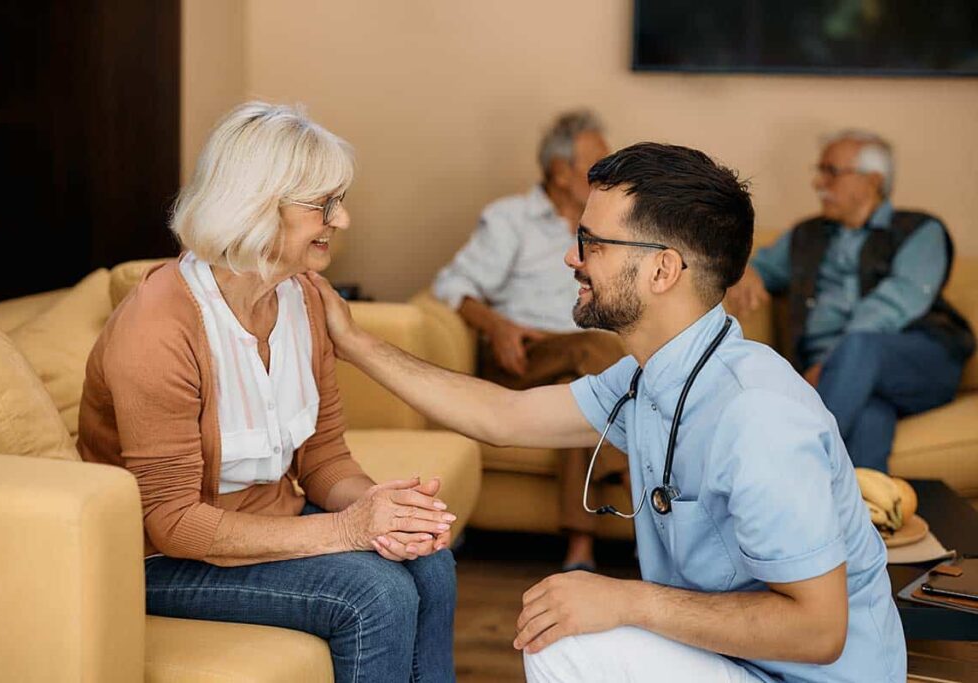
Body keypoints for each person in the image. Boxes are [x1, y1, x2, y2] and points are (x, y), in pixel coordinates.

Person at [308, 142, 906, 681]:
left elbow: (819, 630)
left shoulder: (758, 415)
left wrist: (627, 601)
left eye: (591, 243)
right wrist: (356, 343)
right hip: (736, 661)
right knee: (562, 629)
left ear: (662, 269)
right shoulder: (654, 376)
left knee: (563, 645)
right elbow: (504, 417)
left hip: (802, 677)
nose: (573, 260)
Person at [77, 102, 458, 683]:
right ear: (257, 206)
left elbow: (324, 458)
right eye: (325, 205)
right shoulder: (157, 330)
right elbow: (174, 524)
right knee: (374, 595)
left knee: (432, 561)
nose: (343, 219)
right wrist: (351, 529)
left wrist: (388, 510)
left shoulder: (303, 297)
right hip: (163, 559)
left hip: (264, 525)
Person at [432, 110, 625, 571]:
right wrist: (496, 326)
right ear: (560, 172)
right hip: (520, 356)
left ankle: (580, 547)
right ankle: (637, 470)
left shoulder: (608, 223)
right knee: (595, 355)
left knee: (579, 398)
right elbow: (451, 285)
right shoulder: (511, 218)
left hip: (576, 365)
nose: (609, 173)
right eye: (597, 163)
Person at [728, 130, 974, 471]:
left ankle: (788, 465)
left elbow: (895, 302)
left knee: (861, 347)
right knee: (871, 415)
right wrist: (746, 271)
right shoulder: (806, 235)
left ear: (872, 181)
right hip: (847, 379)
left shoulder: (920, 230)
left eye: (830, 171)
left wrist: (832, 363)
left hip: (917, 359)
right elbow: (756, 268)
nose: (818, 182)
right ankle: (867, 517)